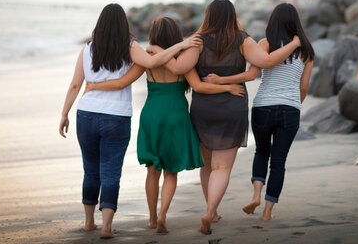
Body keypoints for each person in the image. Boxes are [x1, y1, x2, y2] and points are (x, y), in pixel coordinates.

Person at [148, 0, 301, 234]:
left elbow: (177, 68)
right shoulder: (243, 40)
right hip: (233, 106)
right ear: (233, 16)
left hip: (203, 109)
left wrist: (158, 50)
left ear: (208, 16)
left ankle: (214, 212)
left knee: (208, 165)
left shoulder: (197, 42)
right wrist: (293, 45)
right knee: (222, 167)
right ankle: (210, 211)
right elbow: (266, 62)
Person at [85, 16, 246, 234]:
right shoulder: (181, 59)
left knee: (152, 170)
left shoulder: (148, 57)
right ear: (176, 36)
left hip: (152, 114)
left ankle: (151, 218)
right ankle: (163, 215)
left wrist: (95, 85)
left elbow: (123, 81)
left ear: (153, 36)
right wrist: (227, 88)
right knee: (171, 172)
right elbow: (198, 86)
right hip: (177, 114)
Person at [58, 4, 201, 239]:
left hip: (90, 113)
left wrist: (65, 113)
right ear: (125, 24)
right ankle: (109, 227)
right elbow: (148, 68)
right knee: (113, 173)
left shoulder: (88, 49)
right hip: (123, 116)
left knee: (92, 171)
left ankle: (89, 222)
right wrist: (182, 45)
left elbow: (75, 85)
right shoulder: (131, 47)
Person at [203, 3, 314, 221]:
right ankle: (267, 211)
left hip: (263, 107)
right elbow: (304, 87)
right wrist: (294, 104)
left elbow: (251, 74)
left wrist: (221, 80)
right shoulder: (306, 51)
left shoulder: (265, 44)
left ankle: (255, 195)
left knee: (262, 152)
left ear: (273, 22)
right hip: (289, 109)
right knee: (279, 161)